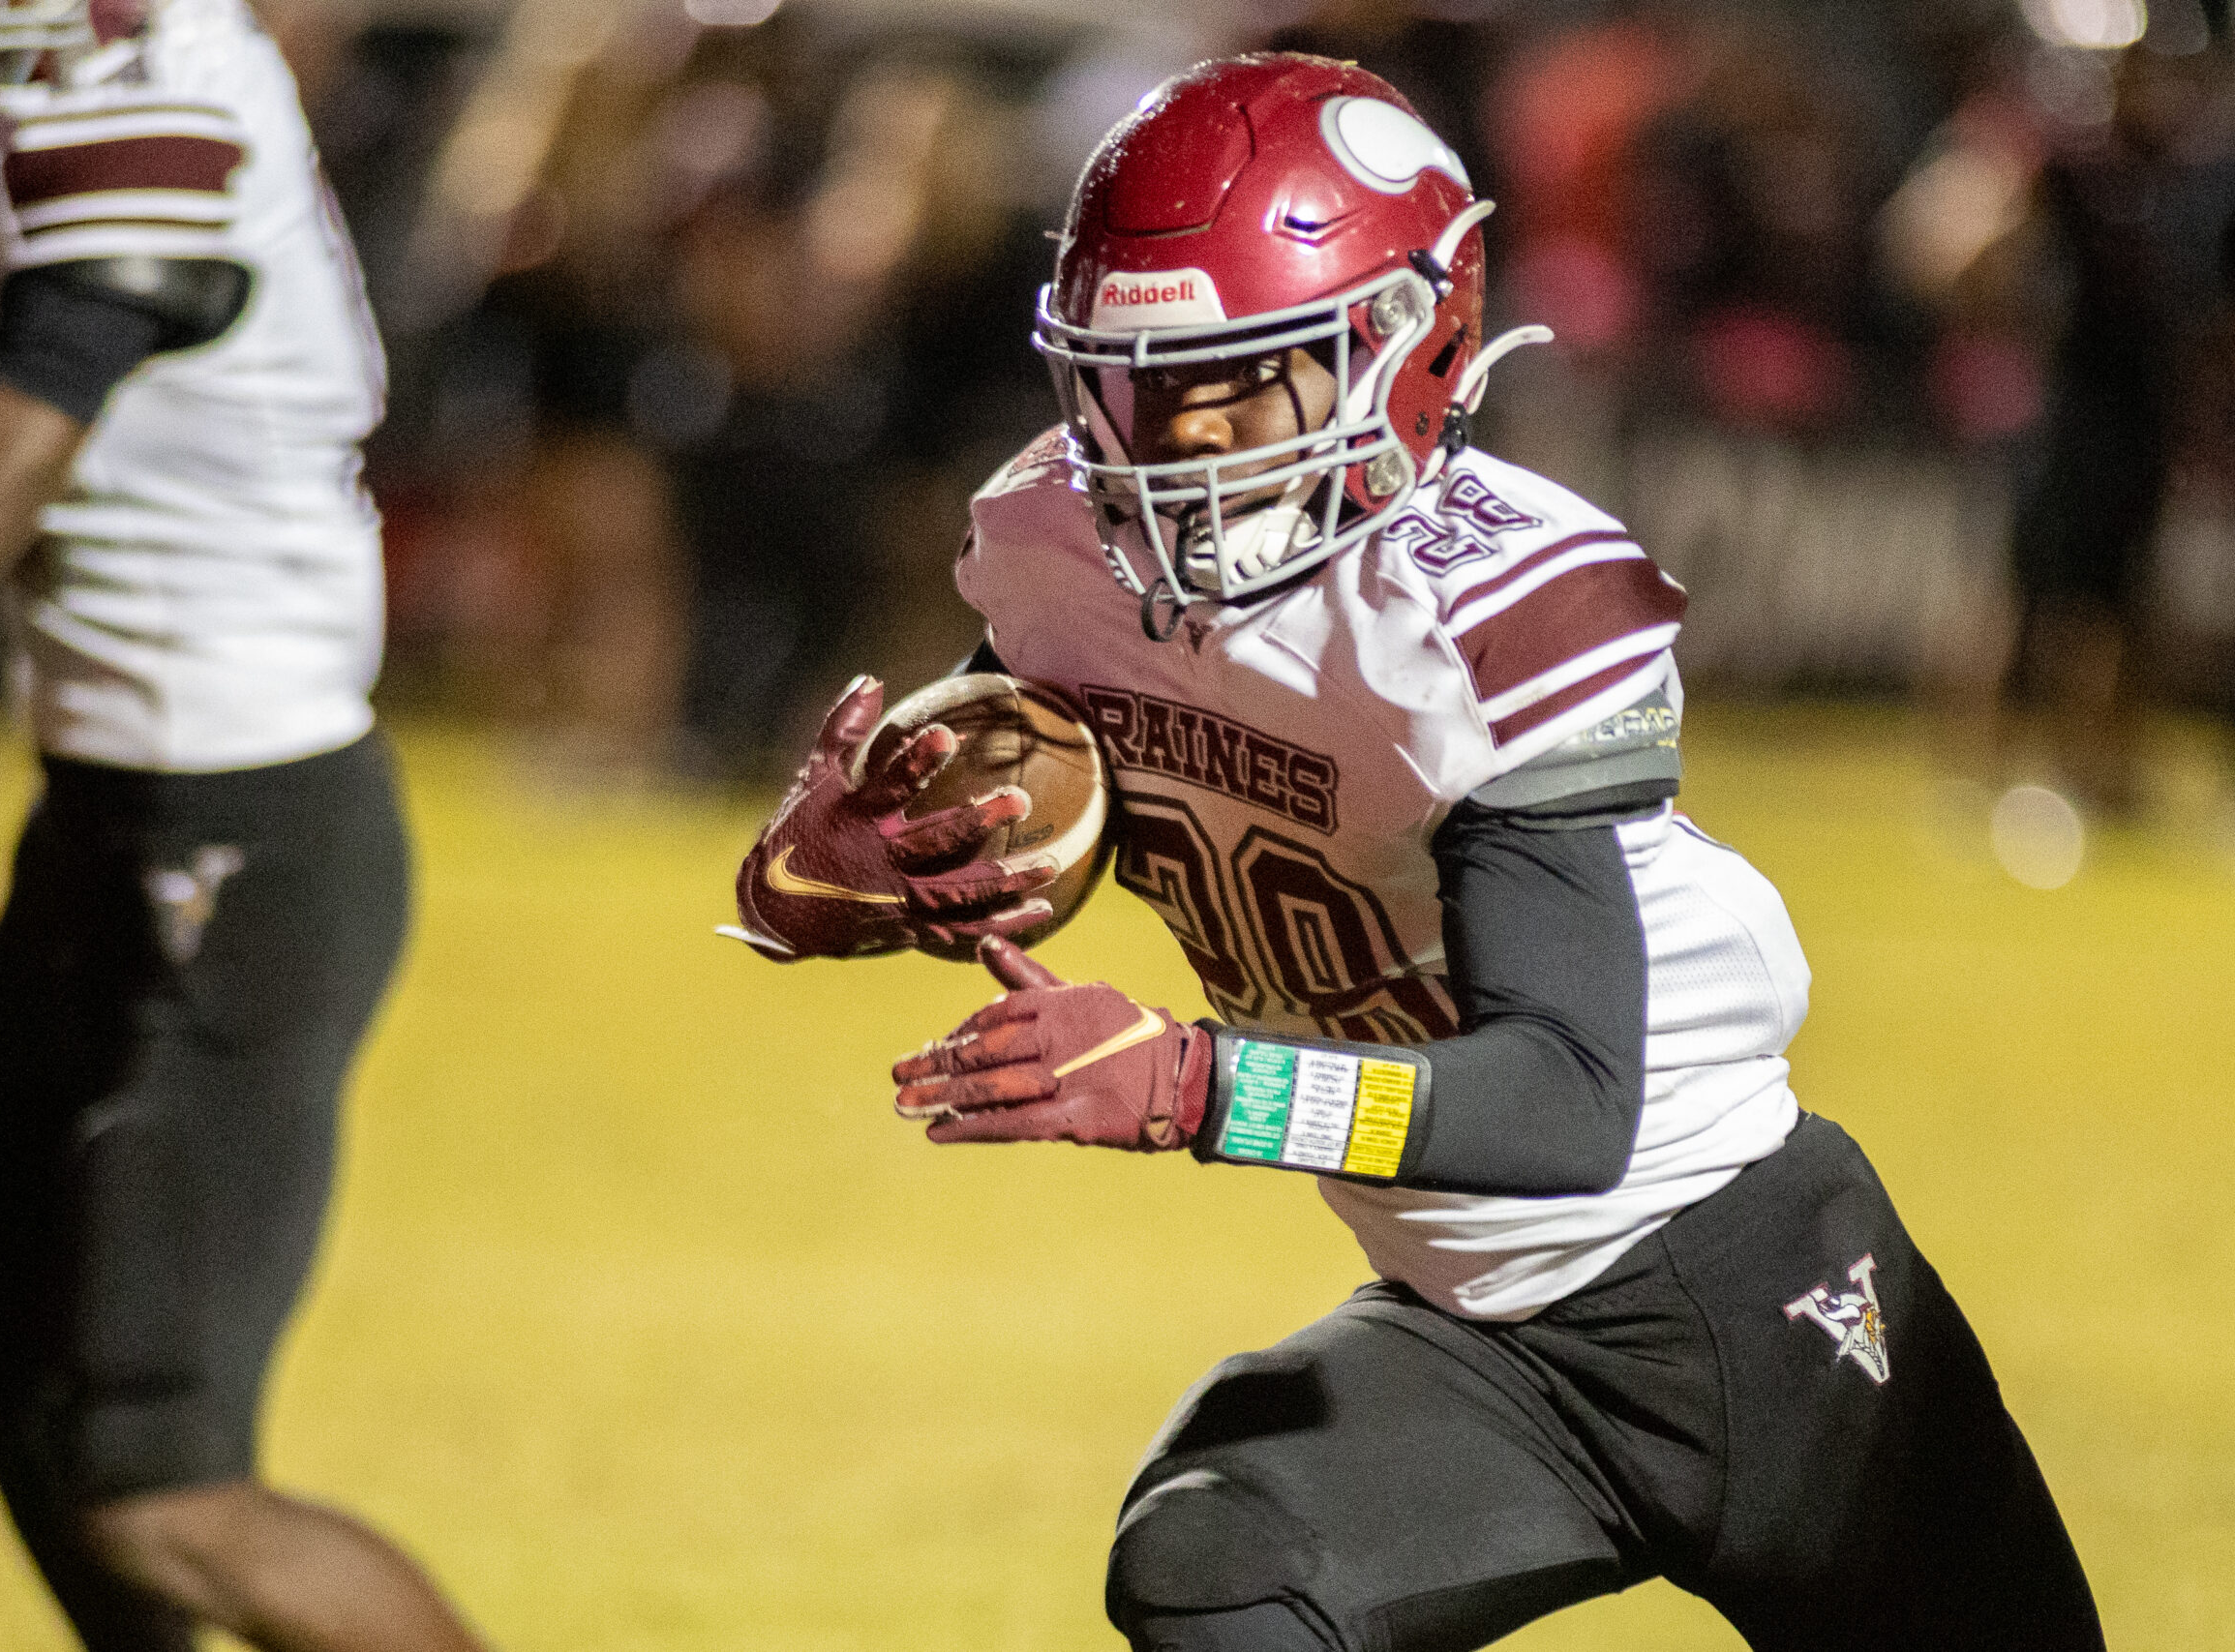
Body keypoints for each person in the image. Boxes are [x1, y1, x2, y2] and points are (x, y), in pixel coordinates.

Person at [733, 54, 2105, 1652]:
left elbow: (1569, 1105)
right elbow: (1007, 793)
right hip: (1474, 1335)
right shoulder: (1064, 551)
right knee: (1221, 1565)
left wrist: (1196, 1085)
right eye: (1131, 388)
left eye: (1236, 385)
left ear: (1407, 351)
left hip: (1738, 1289)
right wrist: (834, 871)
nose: (1168, 449)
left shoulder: (1484, 605)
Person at [0, 1, 487, 1647]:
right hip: (118, 814)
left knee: (163, 1487)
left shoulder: (149, 120)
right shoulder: (59, 76)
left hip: (241, 841)